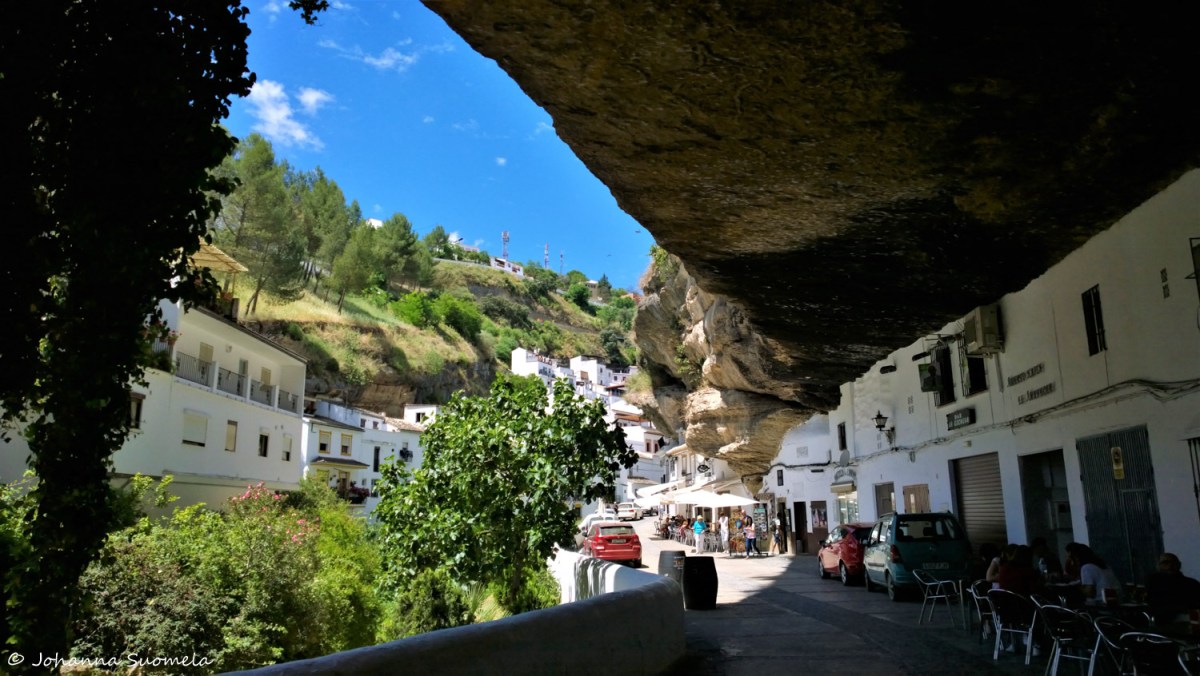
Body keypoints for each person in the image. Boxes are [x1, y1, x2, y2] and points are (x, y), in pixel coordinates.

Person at [1146, 552, 1200, 625]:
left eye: (1173, 562)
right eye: (1165, 562)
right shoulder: (1154, 582)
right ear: (1158, 566)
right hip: (1165, 619)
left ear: (1179, 565)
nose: (1170, 565)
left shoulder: (1192, 583)